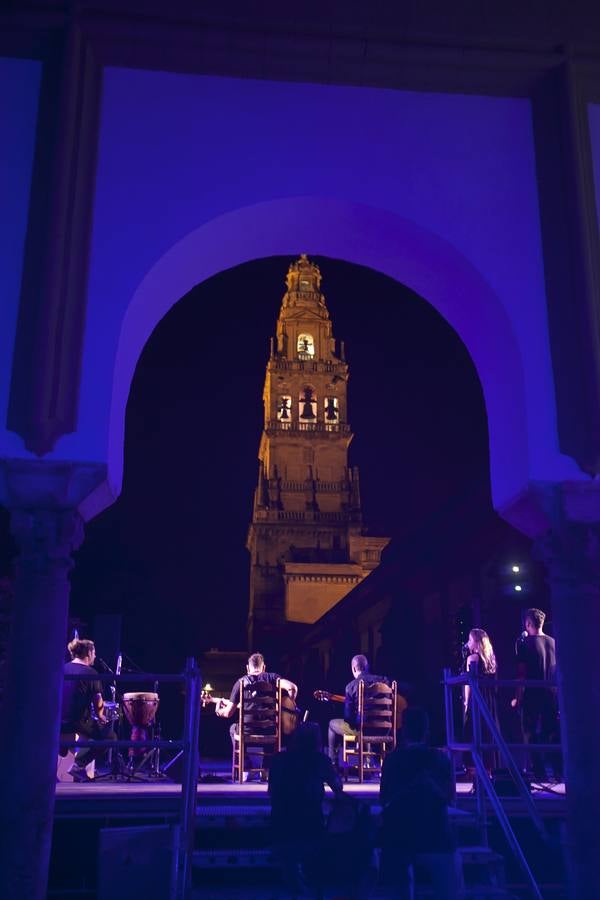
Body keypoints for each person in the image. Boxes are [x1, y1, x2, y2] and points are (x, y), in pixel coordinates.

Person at [380, 707, 462, 899]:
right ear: (427, 733)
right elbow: (450, 798)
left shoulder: (393, 760)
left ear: (404, 732)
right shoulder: (440, 759)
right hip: (436, 836)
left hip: (399, 838)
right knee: (452, 881)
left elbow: (383, 800)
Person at [269, 722, 343, 894]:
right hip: (311, 826)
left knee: (290, 858)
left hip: (280, 826)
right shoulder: (320, 760)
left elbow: (271, 792)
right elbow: (338, 787)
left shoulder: (278, 760)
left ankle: (297, 888)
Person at [215, 652, 298, 778]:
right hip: (270, 730)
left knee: (233, 728)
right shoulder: (273, 678)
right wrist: (287, 708)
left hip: (247, 731)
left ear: (248, 668)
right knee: (271, 727)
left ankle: (246, 766)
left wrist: (218, 710)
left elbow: (228, 713)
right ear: (264, 667)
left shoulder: (240, 682)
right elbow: (292, 688)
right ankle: (266, 769)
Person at [511, 607, 562, 784]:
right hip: (552, 694)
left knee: (530, 732)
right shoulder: (554, 643)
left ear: (528, 623)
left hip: (532, 693)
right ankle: (559, 773)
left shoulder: (524, 644)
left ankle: (540, 774)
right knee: (552, 734)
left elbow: (521, 674)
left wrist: (517, 697)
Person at [60, 638, 116, 781]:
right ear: (89, 653)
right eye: (94, 653)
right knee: (110, 737)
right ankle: (78, 765)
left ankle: (62, 749)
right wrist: (101, 716)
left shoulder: (62, 668)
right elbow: (98, 701)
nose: (95, 656)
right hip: (75, 722)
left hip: (57, 722)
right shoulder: (90, 672)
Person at [327, 654, 390, 766]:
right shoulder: (384, 681)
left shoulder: (351, 686)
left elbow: (348, 718)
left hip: (364, 730)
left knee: (332, 724)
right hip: (384, 730)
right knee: (363, 721)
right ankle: (369, 762)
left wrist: (357, 717)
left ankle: (332, 763)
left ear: (354, 668)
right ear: (367, 666)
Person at [463, 627, 499, 774]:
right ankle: (489, 773)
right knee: (487, 734)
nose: (467, 643)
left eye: (470, 640)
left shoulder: (472, 659)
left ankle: (476, 777)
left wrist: (466, 702)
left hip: (476, 700)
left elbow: (468, 683)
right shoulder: (492, 659)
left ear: (477, 643)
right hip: (489, 701)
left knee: (474, 733)